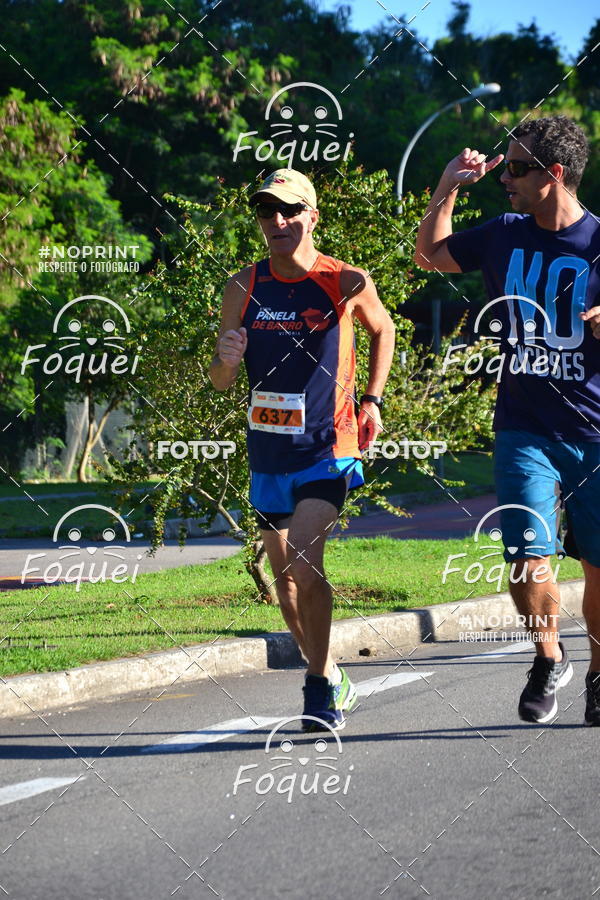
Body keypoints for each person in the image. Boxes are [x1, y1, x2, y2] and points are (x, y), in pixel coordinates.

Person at [415, 115, 600, 726]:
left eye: (517, 168)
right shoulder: (503, 234)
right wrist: (448, 185)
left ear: (555, 174)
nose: (506, 179)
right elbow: (429, 255)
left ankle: (598, 674)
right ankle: (548, 657)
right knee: (525, 551)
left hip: (595, 433)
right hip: (523, 426)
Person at [210, 169, 395, 730]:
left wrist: (371, 401)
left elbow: (383, 329)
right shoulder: (243, 285)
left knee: (305, 564)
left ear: (312, 216)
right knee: (285, 585)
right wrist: (227, 358)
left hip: (327, 446)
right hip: (269, 453)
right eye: (267, 211)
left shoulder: (345, 280)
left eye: (290, 210)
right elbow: (220, 380)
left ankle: (316, 688)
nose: (278, 221)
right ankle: (333, 672)